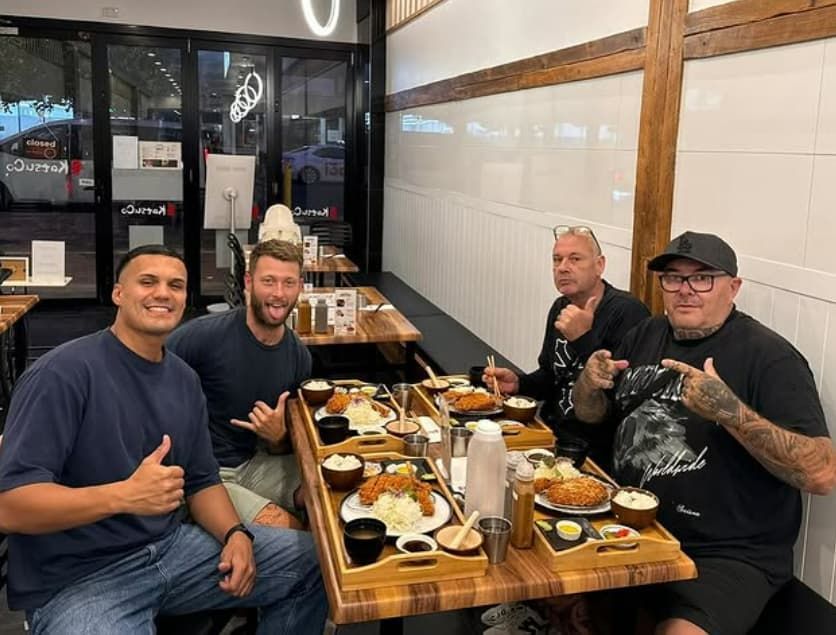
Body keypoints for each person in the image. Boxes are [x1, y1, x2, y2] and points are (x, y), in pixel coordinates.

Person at [0, 245, 327, 634]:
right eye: (148, 282)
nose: (162, 293)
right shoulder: (63, 374)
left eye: (176, 285)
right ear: (118, 293)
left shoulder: (185, 380)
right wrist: (122, 496)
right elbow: (10, 507)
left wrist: (235, 533)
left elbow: (203, 480)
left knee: (317, 562)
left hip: (171, 551)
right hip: (80, 580)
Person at [573, 231, 836, 635]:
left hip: (725, 554)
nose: (685, 290)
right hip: (633, 525)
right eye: (673, 278)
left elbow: (822, 473)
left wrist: (730, 413)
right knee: (548, 588)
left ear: (733, 287)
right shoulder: (646, 335)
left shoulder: (769, 357)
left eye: (702, 278)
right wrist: (588, 385)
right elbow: (592, 416)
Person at [167, 239, 310, 528]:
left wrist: (278, 436)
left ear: (300, 286)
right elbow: (144, 379)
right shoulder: (202, 338)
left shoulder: (299, 355)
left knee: (327, 496)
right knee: (296, 532)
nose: (279, 294)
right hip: (206, 476)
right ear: (248, 282)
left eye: (288, 283)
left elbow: (284, 444)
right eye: (268, 281)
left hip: (256, 463)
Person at [485, 225, 649, 470]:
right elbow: (552, 376)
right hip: (550, 434)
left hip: (594, 451)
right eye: (556, 259)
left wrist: (583, 338)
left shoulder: (627, 312)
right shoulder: (561, 306)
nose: (562, 267)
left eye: (575, 259)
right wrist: (520, 383)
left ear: (599, 265)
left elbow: (621, 397)